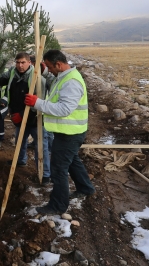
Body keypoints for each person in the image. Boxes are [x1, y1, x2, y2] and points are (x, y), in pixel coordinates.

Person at [24, 49, 95, 215]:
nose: (49, 70)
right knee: (72, 161)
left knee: (59, 169)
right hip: (68, 132)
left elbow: (64, 109)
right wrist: (44, 72)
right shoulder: (64, 76)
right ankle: (86, 188)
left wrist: (37, 103)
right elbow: (56, 87)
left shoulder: (72, 82)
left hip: (70, 134)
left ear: (59, 64)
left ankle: (58, 206)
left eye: (49, 66)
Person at [0, 53, 51, 184]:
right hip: (17, 115)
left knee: (40, 146)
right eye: (17, 62)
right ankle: (21, 160)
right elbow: (1, 82)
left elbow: (40, 101)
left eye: (23, 62)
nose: (20, 65)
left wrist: (21, 114)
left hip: (35, 117)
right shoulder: (12, 74)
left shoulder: (37, 78)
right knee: (20, 141)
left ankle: (45, 174)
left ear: (29, 63)